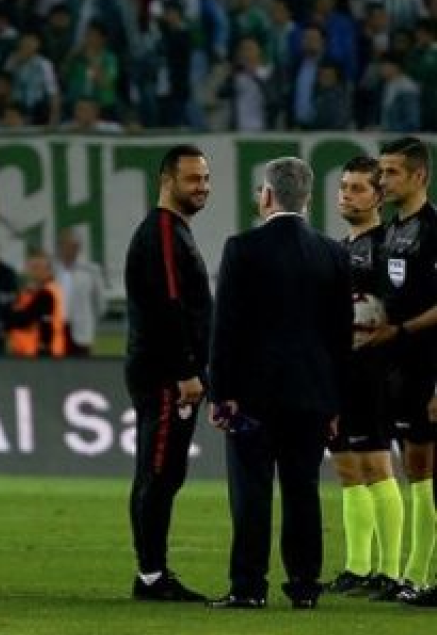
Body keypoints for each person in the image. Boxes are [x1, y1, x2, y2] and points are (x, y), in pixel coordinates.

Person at [207, 157, 352, 610]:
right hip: (311, 397)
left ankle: (249, 587)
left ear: (267, 195)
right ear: (307, 198)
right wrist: (335, 403)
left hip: (253, 398)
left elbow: (225, 328)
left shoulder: (242, 248)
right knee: (302, 489)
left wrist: (221, 395)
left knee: (251, 491)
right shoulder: (333, 253)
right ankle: (305, 586)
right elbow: (341, 336)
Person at [123, 144, 213, 602]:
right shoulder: (162, 230)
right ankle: (151, 576)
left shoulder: (173, 230)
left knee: (162, 472)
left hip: (166, 370)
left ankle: (152, 572)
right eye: (193, 179)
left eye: (206, 179)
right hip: (165, 375)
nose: (203, 187)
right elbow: (169, 303)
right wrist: (185, 371)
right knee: (159, 472)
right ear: (166, 181)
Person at [362, 137, 437, 606]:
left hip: (427, 367)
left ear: (419, 176)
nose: (381, 180)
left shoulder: (433, 229)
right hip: (397, 367)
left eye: (391, 172)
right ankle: (414, 576)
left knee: (426, 472)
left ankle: (418, 576)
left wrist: (401, 329)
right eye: (381, 171)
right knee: (416, 470)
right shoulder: (392, 230)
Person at [325, 157, 405, 596]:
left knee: (376, 466)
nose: (347, 195)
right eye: (344, 187)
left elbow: (401, 308)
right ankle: (358, 567)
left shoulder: (387, 247)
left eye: (358, 188)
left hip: (374, 374)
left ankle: (390, 572)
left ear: (379, 196)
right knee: (348, 469)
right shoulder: (340, 248)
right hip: (340, 374)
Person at [54, 227, 108, 356]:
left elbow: (100, 304)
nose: (68, 249)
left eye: (73, 246)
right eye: (64, 245)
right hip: (56, 330)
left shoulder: (91, 270)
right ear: (59, 247)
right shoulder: (53, 270)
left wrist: (89, 321)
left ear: (78, 248)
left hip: (81, 330)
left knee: (81, 363)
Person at [6, 250, 66, 358]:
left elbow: (25, 319)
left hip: (42, 352)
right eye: (32, 267)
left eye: (37, 267)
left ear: (48, 270)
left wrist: (10, 316)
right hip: (26, 351)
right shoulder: (30, 292)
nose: (34, 272)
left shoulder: (46, 293)